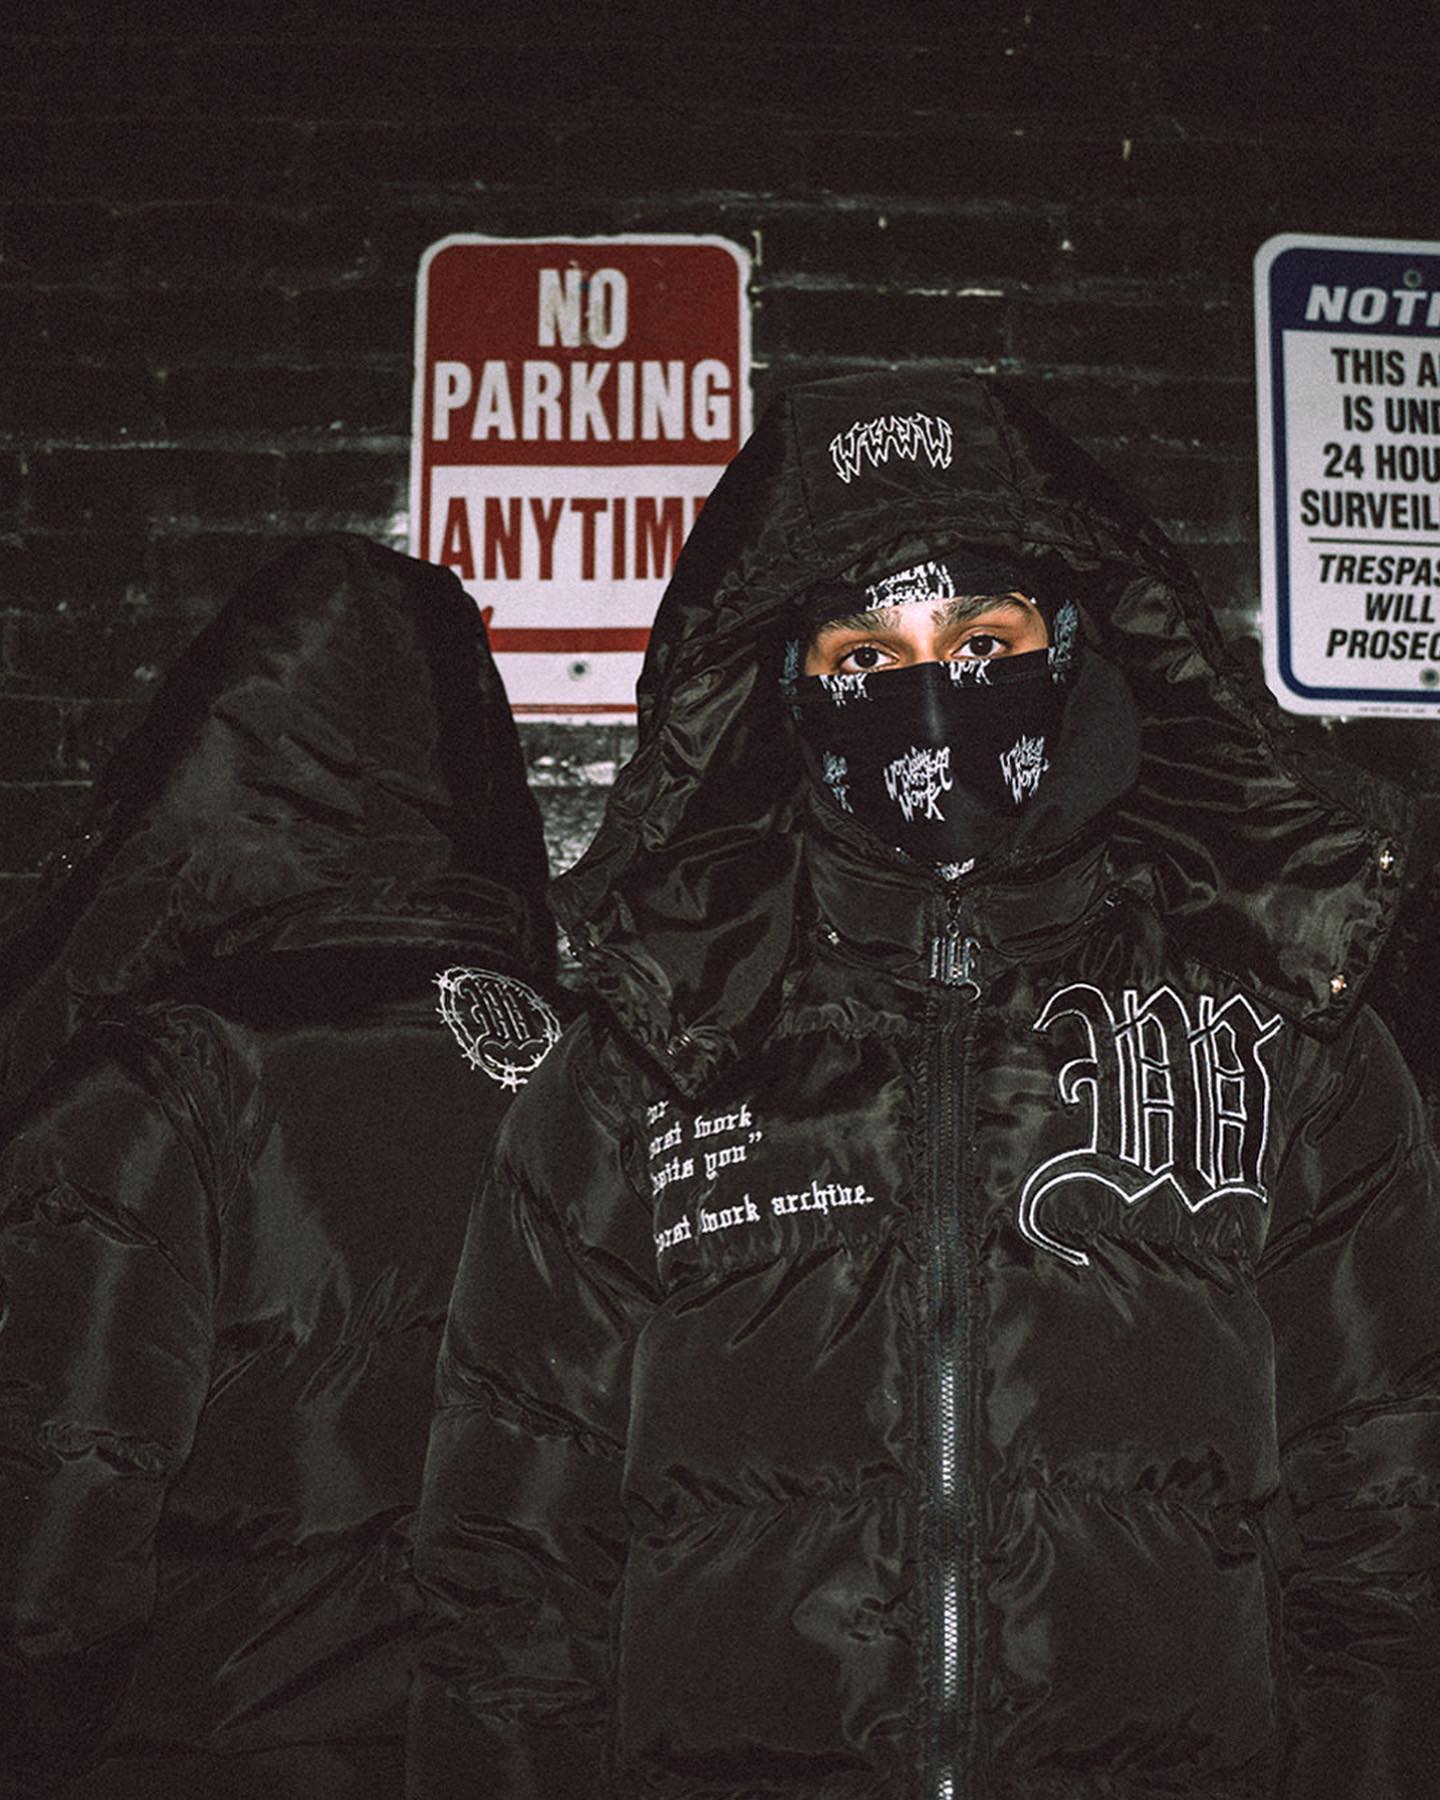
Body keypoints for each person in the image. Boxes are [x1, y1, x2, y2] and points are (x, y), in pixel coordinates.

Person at [411, 373, 1440, 1799]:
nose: (932, 691)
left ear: (1073, 649)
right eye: (865, 655)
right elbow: (510, 1571)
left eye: (983, 639)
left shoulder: (1274, 1033)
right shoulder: (650, 1054)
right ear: (787, 695)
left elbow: (1391, 1532)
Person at [0, 535, 563, 1798]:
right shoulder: (599, 1061)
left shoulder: (170, 1069)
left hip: (223, 1745)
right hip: (516, 1749)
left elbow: (56, 1529)